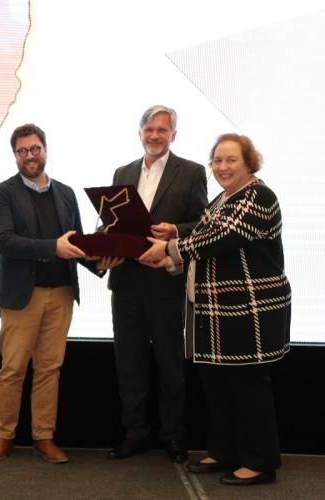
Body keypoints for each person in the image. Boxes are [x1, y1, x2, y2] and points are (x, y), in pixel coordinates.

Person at [139, 133, 291, 486]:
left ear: (249, 162)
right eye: (218, 160)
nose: (223, 167)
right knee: (218, 386)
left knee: (247, 387)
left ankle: (259, 463)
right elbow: (205, 246)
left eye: (231, 160)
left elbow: (222, 237)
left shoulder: (259, 196)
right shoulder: (223, 199)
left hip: (248, 309)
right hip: (216, 310)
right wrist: (172, 261)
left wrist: (171, 249)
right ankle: (225, 452)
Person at [0, 123, 119, 464]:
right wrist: (53, 248)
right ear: (15, 156)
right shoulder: (2, 193)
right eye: (22, 151)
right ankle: (3, 435)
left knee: (49, 368)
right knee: (13, 369)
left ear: (45, 150)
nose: (29, 155)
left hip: (60, 294)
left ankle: (43, 436)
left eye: (35, 148)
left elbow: (74, 242)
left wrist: (99, 260)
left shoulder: (66, 193)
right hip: (20, 296)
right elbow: (6, 241)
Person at [107, 105, 208, 463]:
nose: (154, 135)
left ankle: (173, 436)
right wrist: (104, 245)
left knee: (169, 364)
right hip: (127, 282)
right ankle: (135, 433)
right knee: (129, 364)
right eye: (149, 129)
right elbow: (112, 223)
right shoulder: (122, 172)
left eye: (162, 130)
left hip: (166, 282)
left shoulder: (192, 172)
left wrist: (175, 230)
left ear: (173, 135)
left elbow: (204, 224)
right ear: (140, 133)